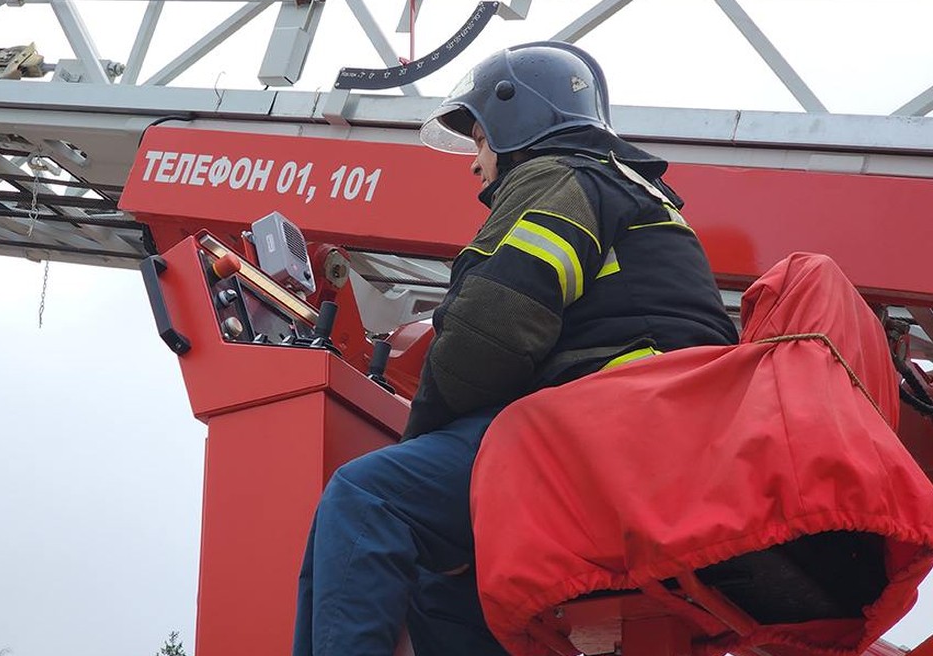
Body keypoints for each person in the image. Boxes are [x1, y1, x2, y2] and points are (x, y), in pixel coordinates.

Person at [292, 41, 738, 656]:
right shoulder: (633, 193)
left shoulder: (558, 178)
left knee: (368, 496)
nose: (475, 164)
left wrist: (419, 444)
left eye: (478, 141)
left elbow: (490, 331)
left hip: (616, 438)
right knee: (446, 578)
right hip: (663, 445)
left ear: (514, 120)